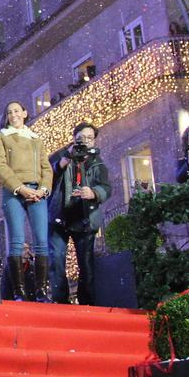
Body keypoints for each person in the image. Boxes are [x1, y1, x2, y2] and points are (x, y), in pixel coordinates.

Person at [0, 100, 52, 302]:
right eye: (9, 112)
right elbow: (0, 166)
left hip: (37, 191)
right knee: (16, 240)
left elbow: (46, 167)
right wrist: (21, 188)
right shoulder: (1, 137)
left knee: (42, 241)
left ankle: (42, 291)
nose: (13, 114)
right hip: (14, 190)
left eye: (17, 111)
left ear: (25, 113)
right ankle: (19, 292)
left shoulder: (36, 139)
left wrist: (43, 188)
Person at [47, 122, 111, 306]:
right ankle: (60, 302)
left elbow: (107, 187)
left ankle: (88, 304)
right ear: (74, 138)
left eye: (90, 138)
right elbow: (47, 176)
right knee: (57, 260)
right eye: (81, 138)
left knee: (86, 264)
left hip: (84, 218)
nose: (85, 142)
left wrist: (93, 193)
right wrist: (62, 162)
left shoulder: (98, 162)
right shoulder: (62, 155)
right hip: (60, 216)